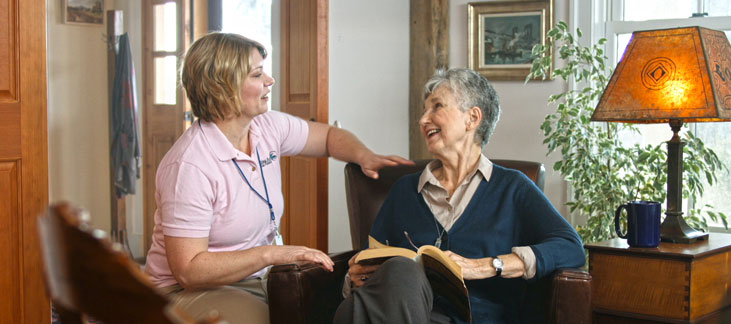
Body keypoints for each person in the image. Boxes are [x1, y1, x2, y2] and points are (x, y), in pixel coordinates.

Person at [142, 32, 412, 324]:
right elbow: (189, 270)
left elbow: (330, 137)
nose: (270, 80)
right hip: (182, 291)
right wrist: (270, 255)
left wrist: (363, 155)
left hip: (257, 279)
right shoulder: (190, 166)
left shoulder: (267, 126)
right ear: (224, 87)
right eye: (258, 74)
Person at [333, 68, 586, 324]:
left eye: (436, 107)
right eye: (424, 110)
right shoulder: (404, 191)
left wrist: (487, 266)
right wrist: (353, 277)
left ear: (472, 118)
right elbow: (365, 265)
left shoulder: (512, 188)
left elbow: (571, 248)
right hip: (406, 314)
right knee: (387, 281)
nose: (423, 120)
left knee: (358, 309)